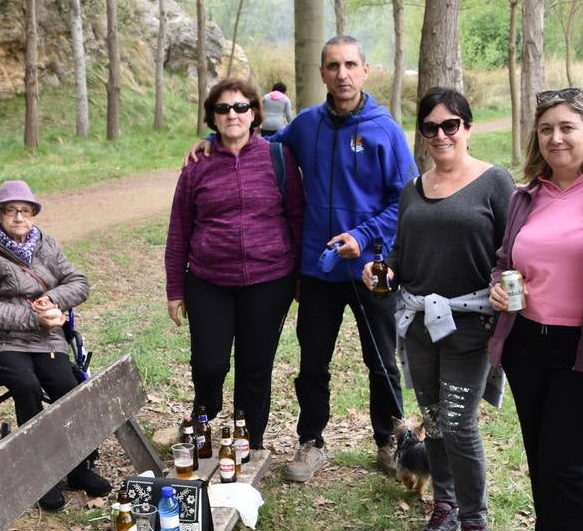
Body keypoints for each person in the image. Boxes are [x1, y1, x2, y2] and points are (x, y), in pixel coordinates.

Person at [364, 88, 513, 531]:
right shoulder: (413, 188)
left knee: (460, 424)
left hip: (471, 324)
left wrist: (508, 294)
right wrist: (384, 271)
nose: (441, 135)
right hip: (419, 326)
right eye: (430, 127)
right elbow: (403, 254)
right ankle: (444, 504)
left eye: (451, 125)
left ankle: (475, 520)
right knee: (433, 421)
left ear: (467, 127)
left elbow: (513, 250)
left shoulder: (494, 182)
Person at [487, 87, 583, 531]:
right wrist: (498, 287)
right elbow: (505, 259)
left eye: (567, 127)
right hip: (528, 342)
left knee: (567, 463)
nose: (556, 138)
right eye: (546, 129)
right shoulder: (527, 196)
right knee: (541, 459)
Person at [268, 36, 417, 481]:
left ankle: (389, 440)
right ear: (322, 74)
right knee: (313, 362)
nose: (342, 74)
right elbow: (263, 148)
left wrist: (362, 235)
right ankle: (311, 441)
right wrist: (210, 143)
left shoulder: (385, 130)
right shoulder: (305, 125)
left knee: (382, 361)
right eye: (333, 66)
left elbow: (405, 201)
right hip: (319, 269)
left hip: (373, 267)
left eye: (350, 64)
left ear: (365, 70)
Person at [165, 78, 305, 452]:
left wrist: (300, 276)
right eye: (223, 108)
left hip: (269, 281)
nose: (233, 114)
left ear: (255, 113)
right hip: (209, 282)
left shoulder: (278, 157)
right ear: (212, 116)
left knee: (255, 368)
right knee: (208, 364)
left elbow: (296, 218)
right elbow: (179, 228)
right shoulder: (197, 165)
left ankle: (248, 441)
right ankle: (206, 412)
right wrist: (175, 288)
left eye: (241, 107)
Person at [0, 181, 111, 510]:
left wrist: (52, 299)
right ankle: (40, 473)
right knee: (26, 386)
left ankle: (78, 468)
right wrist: (33, 317)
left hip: (47, 338)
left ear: (33, 214)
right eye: (11, 211)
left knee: (67, 385)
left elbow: (79, 282)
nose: (18, 217)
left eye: (25, 211)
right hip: (2, 340)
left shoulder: (47, 246)